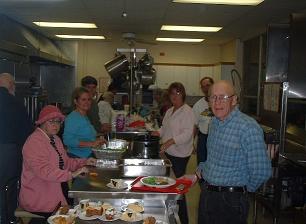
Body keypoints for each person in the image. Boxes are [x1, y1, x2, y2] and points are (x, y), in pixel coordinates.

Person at [184, 80, 271, 224]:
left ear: (234, 100)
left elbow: (262, 171)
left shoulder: (248, 127)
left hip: (230, 201)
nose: (217, 102)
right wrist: (198, 174)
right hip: (207, 195)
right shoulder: (214, 123)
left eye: (223, 97)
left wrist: (240, 191)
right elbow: (212, 159)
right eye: (213, 97)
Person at [19, 105, 96, 222]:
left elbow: (66, 163)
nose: (56, 125)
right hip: (39, 197)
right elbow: (44, 172)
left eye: (58, 121)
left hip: (56, 190)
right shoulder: (34, 142)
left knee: (84, 209)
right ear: (42, 122)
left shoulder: (55, 139)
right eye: (51, 121)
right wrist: (71, 174)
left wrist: (84, 162)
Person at [152, 82, 195, 224]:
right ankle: (171, 216)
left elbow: (188, 134)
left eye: (178, 93)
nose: (174, 96)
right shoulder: (170, 111)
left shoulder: (187, 111)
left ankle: (183, 219)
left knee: (179, 188)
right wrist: (156, 133)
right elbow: (164, 128)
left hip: (180, 155)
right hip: (168, 153)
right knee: (170, 186)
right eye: (172, 93)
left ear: (183, 94)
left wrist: (170, 141)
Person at [0, 73, 33, 224]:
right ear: (12, 86)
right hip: (9, 153)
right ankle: (8, 219)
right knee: (8, 187)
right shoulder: (16, 103)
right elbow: (26, 132)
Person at [63, 87, 105, 158]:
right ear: (75, 101)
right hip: (77, 158)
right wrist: (91, 144)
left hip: (87, 156)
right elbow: (67, 140)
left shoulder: (84, 116)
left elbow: (84, 136)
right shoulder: (73, 118)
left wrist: (98, 140)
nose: (87, 102)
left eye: (89, 99)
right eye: (83, 99)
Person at [192, 77, 214, 164]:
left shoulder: (219, 101)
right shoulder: (198, 106)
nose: (206, 88)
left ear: (213, 85)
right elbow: (194, 126)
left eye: (208, 85)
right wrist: (191, 143)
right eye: (203, 86)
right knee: (202, 163)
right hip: (203, 138)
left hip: (217, 137)